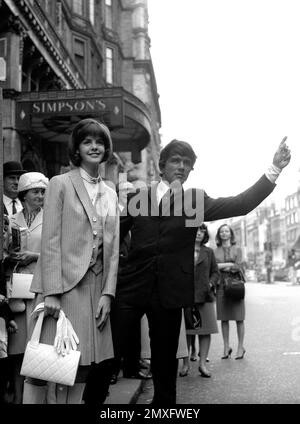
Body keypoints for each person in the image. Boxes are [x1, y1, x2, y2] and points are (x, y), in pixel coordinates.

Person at [114, 136, 290, 404]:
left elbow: (239, 204)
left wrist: (274, 169)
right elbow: (113, 236)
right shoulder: (139, 197)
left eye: (187, 163)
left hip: (169, 293)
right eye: (175, 160)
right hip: (131, 288)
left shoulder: (194, 201)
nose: (181, 166)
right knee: (110, 353)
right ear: (162, 165)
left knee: (164, 362)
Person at [27, 118, 119, 405]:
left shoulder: (111, 192)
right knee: (56, 367)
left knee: (86, 368)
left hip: (96, 290)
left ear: (106, 149)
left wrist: (108, 293)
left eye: (100, 142)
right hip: (65, 289)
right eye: (87, 141)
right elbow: (50, 239)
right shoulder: (60, 184)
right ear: (77, 149)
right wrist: (51, 292)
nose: (94, 146)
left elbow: (112, 251)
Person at [5, 172, 48, 404]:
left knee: (38, 349)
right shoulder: (12, 220)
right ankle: (19, 398)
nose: (40, 196)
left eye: (43, 191)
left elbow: (55, 255)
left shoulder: (50, 219)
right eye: (35, 192)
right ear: (24, 195)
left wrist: (33, 255)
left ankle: (38, 399)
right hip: (17, 288)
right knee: (17, 349)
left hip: (40, 287)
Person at [180, 224, 219, 378]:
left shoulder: (208, 252)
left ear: (205, 234)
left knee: (205, 331)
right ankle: (185, 364)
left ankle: (202, 364)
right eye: (196, 230)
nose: (199, 233)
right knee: (187, 332)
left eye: (202, 230)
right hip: (186, 297)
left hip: (206, 297)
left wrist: (210, 284)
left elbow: (215, 272)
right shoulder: (182, 250)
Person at [214, 223, 246, 360]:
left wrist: (225, 266)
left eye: (227, 231)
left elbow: (238, 266)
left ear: (231, 234)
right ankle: (226, 346)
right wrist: (229, 264)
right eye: (222, 232)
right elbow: (214, 267)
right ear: (219, 235)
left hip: (236, 285)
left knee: (239, 318)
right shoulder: (214, 251)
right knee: (224, 318)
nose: (224, 233)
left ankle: (240, 347)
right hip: (221, 286)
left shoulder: (238, 249)